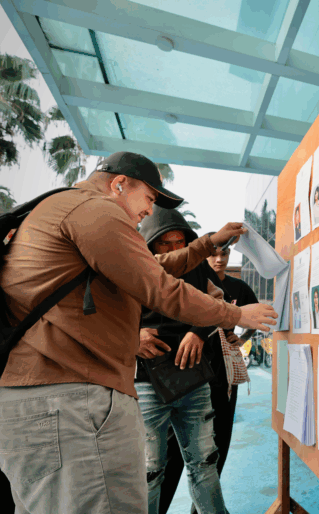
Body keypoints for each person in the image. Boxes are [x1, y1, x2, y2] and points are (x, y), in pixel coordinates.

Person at [0, 151, 277, 514]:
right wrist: (236, 313)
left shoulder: (66, 210)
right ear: (119, 185)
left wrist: (208, 243)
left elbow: (153, 265)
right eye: (149, 199)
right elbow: (160, 286)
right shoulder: (95, 211)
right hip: (69, 404)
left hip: (49, 399)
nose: (149, 211)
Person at [136, 208, 231, 514]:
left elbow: (217, 303)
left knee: (204, 462)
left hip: (193, 378)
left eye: (180, 241)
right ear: (150, 243)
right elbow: (103, 314)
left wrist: (199, 332)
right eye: (165, 243)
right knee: (149, 470)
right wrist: (132, 336)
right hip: (146, 384)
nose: (175, 248)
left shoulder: (198, 268)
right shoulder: (131, 269)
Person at [158, 235, 262, 514]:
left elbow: (254, 318)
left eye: (224, 254)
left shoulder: (238, 287)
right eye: (213, 253)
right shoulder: (184, 280)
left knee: (214, 454)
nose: (219, 259)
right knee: (169, 457)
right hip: (185, 380)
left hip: (223, 378)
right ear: (202, 255)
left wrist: (240, 339)